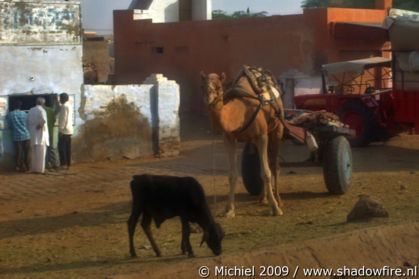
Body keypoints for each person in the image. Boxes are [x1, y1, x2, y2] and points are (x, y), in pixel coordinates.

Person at [27, 97, 49, 174]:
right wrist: (40, 125)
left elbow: (27, 122)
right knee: (41, 153)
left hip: (33, 134)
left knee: (34, 153)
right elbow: (43, 120)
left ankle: (34, 169)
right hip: (41, 135)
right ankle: (40, 170)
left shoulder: (30, 110)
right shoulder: (42, 110)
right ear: (43, 104)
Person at [7, 100, 31, 172]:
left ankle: (19, 167)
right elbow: (28, 123)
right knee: (27, 152)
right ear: (20, 106)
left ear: (13, 106)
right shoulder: (25, 113)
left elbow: (10, 125)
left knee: (19, 152)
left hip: (17, 136)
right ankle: (28, 167)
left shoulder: (11, 114)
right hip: (26, 135)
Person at [57, 93, 73, 170]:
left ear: (63, 99)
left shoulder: (64, 106)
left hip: (64, 131)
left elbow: (63, 119)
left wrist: (60, 130)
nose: (60, 100)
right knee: (68, 148)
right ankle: (68, 164)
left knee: (62, 148)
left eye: (60, 98)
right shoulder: (69, 105)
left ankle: (63, 164)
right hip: (69, 130)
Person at [43, 103, 60, 170]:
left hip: (42, 134)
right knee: (52, 149)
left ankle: (47, 165)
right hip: (50, 133)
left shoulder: (39, 111)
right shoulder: (50, 110)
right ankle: (55, 164)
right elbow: (54, 120)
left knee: (44, 150)